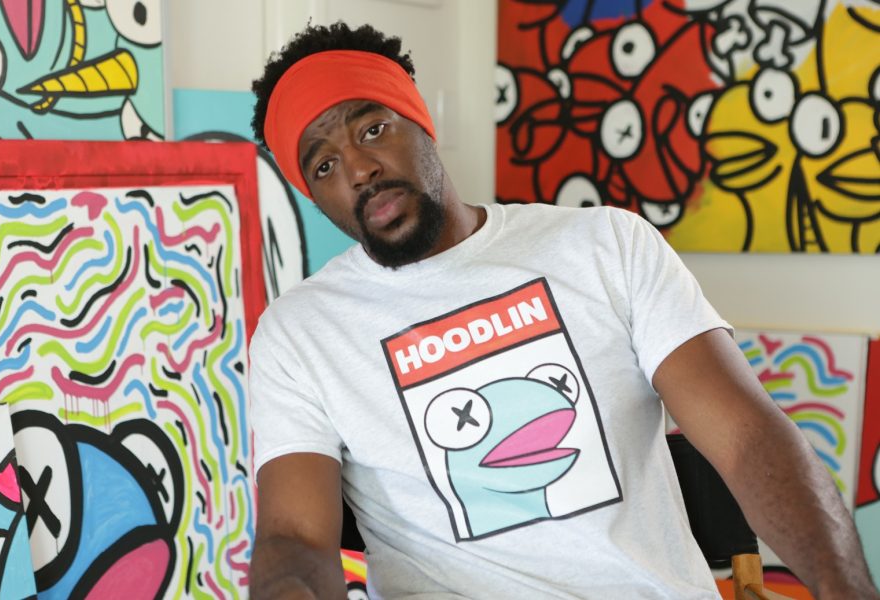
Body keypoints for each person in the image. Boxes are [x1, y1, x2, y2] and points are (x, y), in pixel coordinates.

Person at [246, 21, 879, 600]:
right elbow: (295, 540)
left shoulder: (608, 245)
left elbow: (746, 439)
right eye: (323, 164)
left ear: (420, 119)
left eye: (372, 129)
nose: (358, 170)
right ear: (315, 196)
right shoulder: (300, 333)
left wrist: (844, 590)